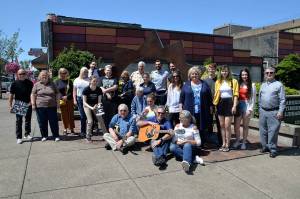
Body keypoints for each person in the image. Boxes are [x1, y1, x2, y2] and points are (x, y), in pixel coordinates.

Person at [179, 66, 214, 146]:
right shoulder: (186, 85)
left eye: (196, 74)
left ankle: (201, 142)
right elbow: (181, 98)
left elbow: (209, 96)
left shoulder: (205, 84)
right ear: (190, 75)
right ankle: (191, 142)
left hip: (202, 109)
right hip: (189, 110)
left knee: (202, 125)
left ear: (199, 74)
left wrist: (211, 107)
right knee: (191, 125)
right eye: (192, 74)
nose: (194, 75)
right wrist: (181, 108)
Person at [259, 67, 285, 158]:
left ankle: (273, 149)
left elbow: (282, 100)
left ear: (274, 74)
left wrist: (280, 111)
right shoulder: (263, 85)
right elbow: (260, 98)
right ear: (265, 74)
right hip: (263, 111)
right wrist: (260, 109)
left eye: (271, 72)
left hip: (274, 111)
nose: (269, 74)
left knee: (273, 132)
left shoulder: (279, 85)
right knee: (263, 131)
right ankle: (265, 146)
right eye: (267, 73)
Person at [213, 65, 239, 152]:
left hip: (229, 103)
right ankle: (223, 143)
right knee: (222, 126)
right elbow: (217, 94)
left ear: (228, 72)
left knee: (227, 126)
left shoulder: (233, 81)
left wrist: (234, 106)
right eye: (223, 71)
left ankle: (228, 143)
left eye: (226, 71)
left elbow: (235, 94)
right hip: (220, 103)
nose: (224, 72)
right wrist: (215, 105)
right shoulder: (218, 81)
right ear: (220, 72)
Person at [31, 70, 60, 142]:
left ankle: (56, 135)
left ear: (48, 76)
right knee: (42, 122)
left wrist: (58, 103)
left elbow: (57, 94)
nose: (44, 76)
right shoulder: (36, 84)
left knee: (53, 121)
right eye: (42, 75)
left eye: (45, 75)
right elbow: (33, 94)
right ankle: (44, 136)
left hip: (52, 106)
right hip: (40, 106)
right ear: (40, 76)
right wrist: (33, 104)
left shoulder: (52, 84)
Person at [233, 68, 256, 150]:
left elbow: (253, 99)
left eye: (246, 74)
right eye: (243, 75)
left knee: (245, 126)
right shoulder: (238, 84)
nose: (244, 76)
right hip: (239, 106)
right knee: (236, 126)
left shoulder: (252, 85)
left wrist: (250, 109)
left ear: (248, 75)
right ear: (241, 75)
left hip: (247, 106)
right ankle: (238, 140)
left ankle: (244, 143)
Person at [8, 69, 33, 144]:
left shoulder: (30, 83)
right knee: (19, 121)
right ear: (17, 75)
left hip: (28, 103)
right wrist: (10, 105)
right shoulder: (14, 83)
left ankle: (27, 134)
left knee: (28, 120)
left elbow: (33, 93)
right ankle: (19, 137)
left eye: (23, 73)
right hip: (19, 104)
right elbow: (11, 95)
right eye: (20, 74)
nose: (22, 75)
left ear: (26, 74)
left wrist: (32, 102)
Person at [82, 75, 106, 142]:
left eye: (96, 81)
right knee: (90, 121)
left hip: (96, 105)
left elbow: (99, 101)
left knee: (101, 120)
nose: (95, 82)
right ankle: (88, 136)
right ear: (90, 81)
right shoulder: (86, 89)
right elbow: (84, 102)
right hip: (87, 106)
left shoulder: (99, 89)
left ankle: (105, 135)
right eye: (94, 81)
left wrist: (98, 106)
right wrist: (91, 108)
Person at [204, 63, 222, 145]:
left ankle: (220, 140)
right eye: (210, 69)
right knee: (209, 122)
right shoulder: (204, 81)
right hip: (208, 104)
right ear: (208, 70)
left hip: (218, 103)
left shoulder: (219, 80)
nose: (211, 70)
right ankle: (209, 139)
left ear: (215, 70)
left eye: (213, 69)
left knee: (219, 122)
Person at [55, 68, 75, 135]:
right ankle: (65, 128)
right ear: (59, 73)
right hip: (62, 101)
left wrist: (67, 97)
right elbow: (56, 91)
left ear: (67, 73)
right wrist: (61, 97)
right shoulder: (57, 81)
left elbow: (72, 91)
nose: (63, 74)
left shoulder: (70, 81)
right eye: (61, 73)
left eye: (64, 73)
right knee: (64, 115)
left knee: (71, 114)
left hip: (69, 100)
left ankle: (72, 128)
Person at [73, 67, 90, 137]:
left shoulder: (89, 79)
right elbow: (74, 91)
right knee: (83, 116)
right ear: (80, 72)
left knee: (89, 115)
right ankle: (83, 131)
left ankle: (89, 131)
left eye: (86, 72)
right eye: (84, 72)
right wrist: (74, 99)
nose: (85, 73)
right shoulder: (76, 80)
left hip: (89, 99)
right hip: (80, 99)